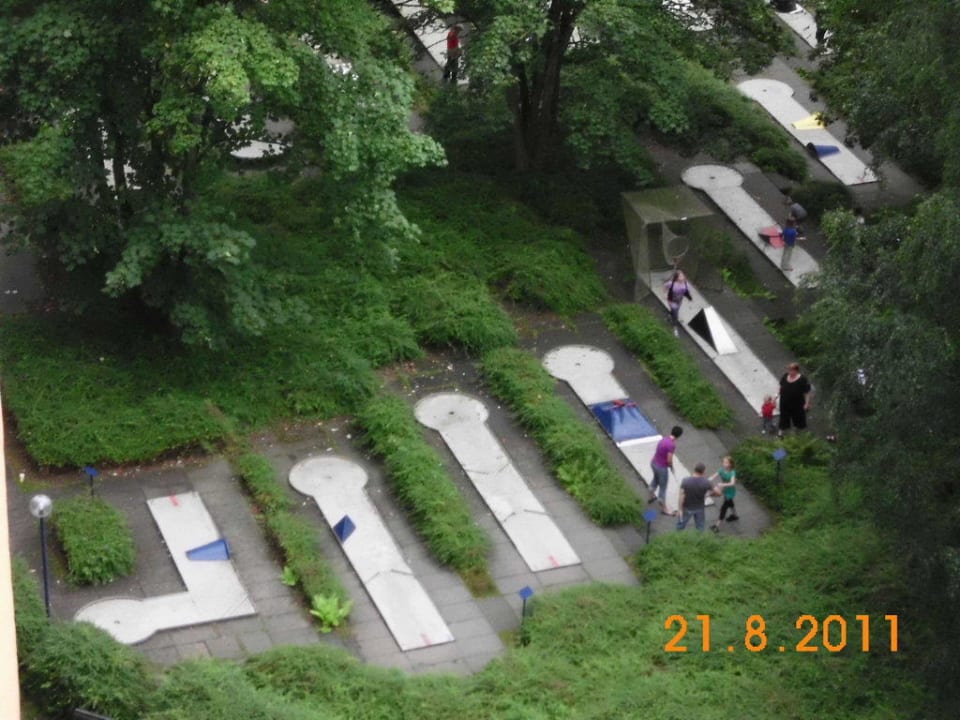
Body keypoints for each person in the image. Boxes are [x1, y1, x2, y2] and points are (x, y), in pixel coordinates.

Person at [649, 426, 682, 514]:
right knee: (663, 487)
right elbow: (669, 459)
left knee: (656, 479)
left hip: (653, 463)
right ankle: (664, 508)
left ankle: (651, 495)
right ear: (679, 436)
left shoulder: (663, 439)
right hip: (661, 468)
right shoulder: (671, 445)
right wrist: (671, 467)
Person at [676, 463, 718, 532]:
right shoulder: (707, 482)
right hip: (700, 508)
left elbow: (681, 496)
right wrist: (709, 494)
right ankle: (698, 540)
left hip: (687, 507)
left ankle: (677, 539)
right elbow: (718, 493)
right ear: (703, 472)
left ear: (694, 470)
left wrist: (680, 509)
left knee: (680, 526)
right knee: (700, 527)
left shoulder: (685, 480)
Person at [778, 362, 812, 437]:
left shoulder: (802, 379)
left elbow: (807, 392)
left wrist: (807, 403)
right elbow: (781, 386)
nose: (789, 372)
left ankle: (797, 432)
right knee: (783, 416)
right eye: (789, 370)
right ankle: (782, 431)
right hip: (784, 402)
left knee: (798, 417)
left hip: (797, 403)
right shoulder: (785, 376)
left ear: (796, 371)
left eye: (791, 370)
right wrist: (776, 396)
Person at [710, 456, 738, 532]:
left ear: (730, 464)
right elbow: (713, 476)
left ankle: (717, 525)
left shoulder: (732, 472)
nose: (724, 464)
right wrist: (708, 480)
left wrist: (722, 485)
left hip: (730, 492)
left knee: (724, 507)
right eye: (723, 462)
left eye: (726, 462)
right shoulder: (721, 470)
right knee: (730, 503)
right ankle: (734, 515)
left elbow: (732, 483)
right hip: (724, 490)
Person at [664, 270, 692, 337]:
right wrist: (665, 294)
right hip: (671, 301)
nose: (683, 277)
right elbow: (665, 286)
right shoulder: (672, 283)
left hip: (679, 301)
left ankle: (669, 316)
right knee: (676, 315)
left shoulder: (685, 284)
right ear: (677, 278)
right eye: (680, 276)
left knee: (674, 311)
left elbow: (687, 291)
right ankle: (675, 328)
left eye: (683, 275)